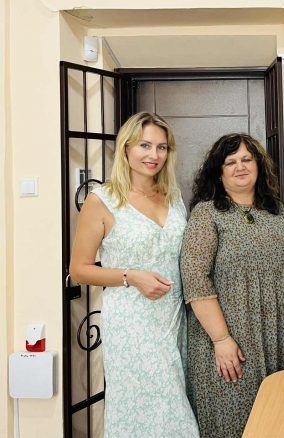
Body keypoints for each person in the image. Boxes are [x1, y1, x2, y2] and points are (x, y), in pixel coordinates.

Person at [69, 112, 199, 437]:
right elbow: (79, 270)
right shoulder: (102, 201)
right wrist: (132, 276)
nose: (154, 155)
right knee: (151, 413)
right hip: (131, 325)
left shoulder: (174, 197)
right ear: (126, 148)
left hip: (173, 320)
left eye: (161, 147)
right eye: (144, 145)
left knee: (171, 407)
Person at [180, 133, 284, 438]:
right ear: (218, 172)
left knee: (278, 424)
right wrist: (221, 340)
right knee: (234, 426)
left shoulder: (277, 213)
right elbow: (195, 278)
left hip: (276, 338)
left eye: (247, 159)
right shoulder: (207, 214)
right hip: (229, 344)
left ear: (259, 165)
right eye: (230, 162)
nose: (240, 167)